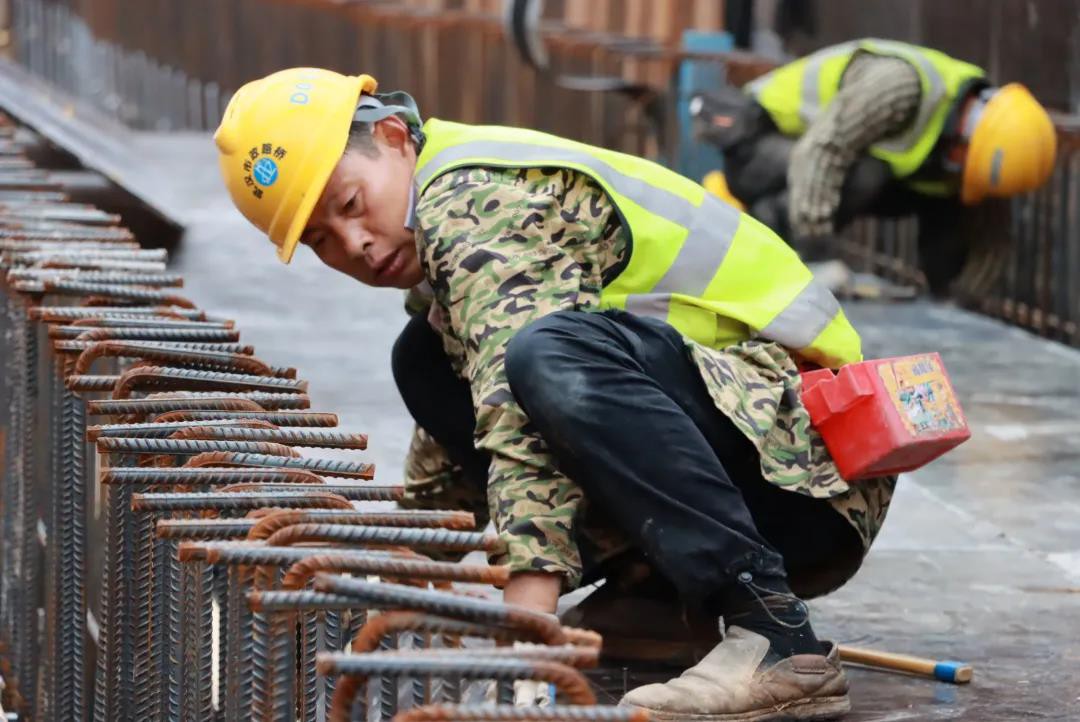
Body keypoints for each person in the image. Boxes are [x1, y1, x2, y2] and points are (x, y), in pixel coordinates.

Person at [215, 67, 897, 720]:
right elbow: (471, 415)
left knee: (544, 356)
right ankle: (655, 600)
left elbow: (518, 412)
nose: (356, 244)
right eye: (322, 241)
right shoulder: (439, 225)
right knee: (425, 356)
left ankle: (773, 633)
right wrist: (407, 580)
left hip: (812, 467)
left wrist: (526, 623)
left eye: (351, 205)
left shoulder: (473, 201)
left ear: (395, 137)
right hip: (754, 452)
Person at [694, 38, 1056, 295]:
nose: (964, 173)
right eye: (968, 164)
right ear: (966, 136)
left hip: (806, 161)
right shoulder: (899, 86)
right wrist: (818, 254)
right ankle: (775, 231)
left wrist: (963, 298)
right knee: (867, 172)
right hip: (757, 145)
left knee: (948, 196)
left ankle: (939, 283)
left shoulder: (980, 134)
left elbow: (992, 231)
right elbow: (821, 153)